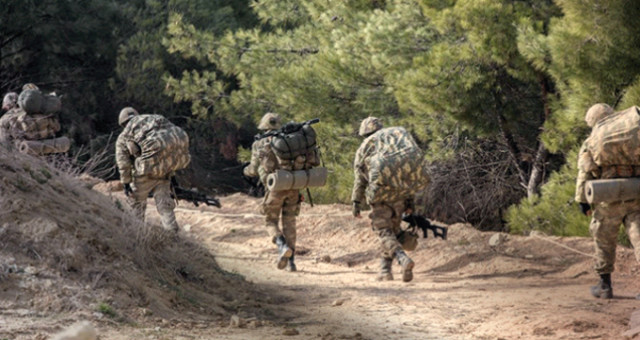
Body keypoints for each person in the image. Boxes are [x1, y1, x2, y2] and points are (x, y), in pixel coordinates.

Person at [352, 117, 429, 282]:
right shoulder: (396, 141)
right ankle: (385, 270)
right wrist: (410, 202)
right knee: (393, 231)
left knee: (384, 232)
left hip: (380, 196)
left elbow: (360, 180)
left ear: (365, 133)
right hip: (401, 195)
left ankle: (402, 259)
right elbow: (406, 175)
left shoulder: (365, 147)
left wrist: (356, 202)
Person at [575, 103, 640, 299]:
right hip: (636, 193)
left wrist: (582, 200)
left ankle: (605, 286)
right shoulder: (633, 133)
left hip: (608, 197)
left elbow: (584, 172)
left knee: (603, 239)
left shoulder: (593, 140)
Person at [243, 112, 308, 271]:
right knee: (290, 223)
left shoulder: (260, 143)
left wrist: (246, 171)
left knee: (270, 221)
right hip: (293, 186)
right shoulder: (291, 140)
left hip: (274, 188)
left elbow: (253, 169)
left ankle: (281, 245)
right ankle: (291, 262)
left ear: (264, 126)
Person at [115, 107, 186, 232]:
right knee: (165, 206)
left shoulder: (124, 136)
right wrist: (172, 177)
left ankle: (138, 234)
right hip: (163, 173)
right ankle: (173, 235)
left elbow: (123, 162)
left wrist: (126, 183)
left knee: (137, 206)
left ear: (123, 123)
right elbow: (165, 153)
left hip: (142, 174)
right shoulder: (154, 127)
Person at [0, 84, 61, 151]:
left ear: (8, 105)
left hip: (24, 151)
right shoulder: (40, 112)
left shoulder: (7, 119)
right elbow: (56, 128)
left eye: (5, 107)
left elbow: (5, 144)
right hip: (45, 146)